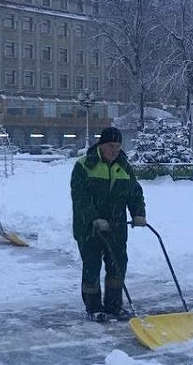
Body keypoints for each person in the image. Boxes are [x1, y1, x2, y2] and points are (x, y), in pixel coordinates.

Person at [70, 126, 146, 321]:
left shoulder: (124, 167)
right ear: (101, 145)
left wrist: (138, 214)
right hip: (89, 228)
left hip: (116, 227)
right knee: (92, 267)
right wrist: (94, 218)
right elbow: (80, 199)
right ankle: (93, 307)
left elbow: (135, 193)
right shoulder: (85, 165)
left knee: (117, 265)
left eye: (118, 146)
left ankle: (114, 306)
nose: (115, 150)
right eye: (111, 146)